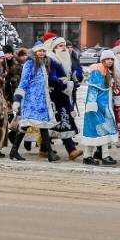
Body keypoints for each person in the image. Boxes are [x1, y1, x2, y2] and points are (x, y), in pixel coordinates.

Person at [10, 41, 59, 162]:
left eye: (43, 51)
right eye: (39, 51)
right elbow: (24, 82)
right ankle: (14, 151)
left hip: (41, 100)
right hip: (31, 100)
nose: (41, 53)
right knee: (27, 124)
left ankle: (49, 153)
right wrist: (17, 99)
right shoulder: (29, 63)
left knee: (42, 125)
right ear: (35, 52)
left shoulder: (42, 63)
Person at [43, 33, 83, 161]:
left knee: (59, 122)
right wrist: (64, 82)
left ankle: (44, 148)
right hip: (54, 95)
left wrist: (74, 79)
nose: (64, 48)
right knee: (62, 120)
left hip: (64, 94)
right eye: (60, 46)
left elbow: (74, 73)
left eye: (64, 45)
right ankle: (71, 149)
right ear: (54, 48)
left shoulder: (66, 59)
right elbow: (51, 77)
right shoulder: (51, 60)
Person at [82, 50, 119, 166]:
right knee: (92, 130)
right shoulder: (97, 72)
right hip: (95, 107)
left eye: (112, 59)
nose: (110, 61)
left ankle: (105, 155)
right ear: (102, 60)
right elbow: (92, 90)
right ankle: (87, 156)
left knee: (105, 130)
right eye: (107, 59)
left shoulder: (107, 72)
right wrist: (91, 104)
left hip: (104, 107)